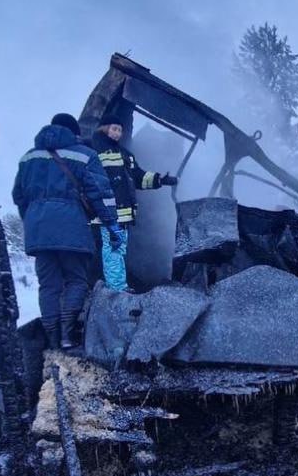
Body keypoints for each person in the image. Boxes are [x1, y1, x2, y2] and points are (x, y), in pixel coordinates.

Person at [12, 113, 124, 349]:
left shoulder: (28, 157)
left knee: (48, 285)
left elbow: (18, 196)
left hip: (38, 231)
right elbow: (101, 194)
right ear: (75, 133)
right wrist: (112, 225)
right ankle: (67, 334)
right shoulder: (85, 155)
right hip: (71, 227)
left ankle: (52, 338)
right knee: (76, 281)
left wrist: (32, 220)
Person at [91, 116, 178, 291]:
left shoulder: (125, 155)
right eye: (114, 129)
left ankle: (119, 285)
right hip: (109, 213)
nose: (117, 133)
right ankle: (116, 288)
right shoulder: (95, 152)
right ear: (104, 129)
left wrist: (160, 180)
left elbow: (138, 177)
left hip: (123, 213)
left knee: (119, 249)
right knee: (113, 249)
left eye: (120, 130)